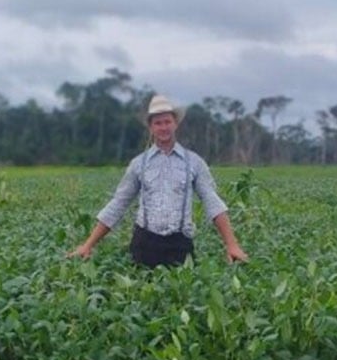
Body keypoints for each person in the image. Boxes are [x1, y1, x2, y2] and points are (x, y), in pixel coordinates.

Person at [68, 94, 249, 267]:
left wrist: (231, 245)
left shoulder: (194, 162)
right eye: (158, 123)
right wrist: (88, 245)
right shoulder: (139, 164)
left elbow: (213, 203)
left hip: (180, 245)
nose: (163, 127)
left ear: (175, 123)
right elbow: (118, 204)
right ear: (151, 127)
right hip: (144, 245)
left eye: (167, 121)